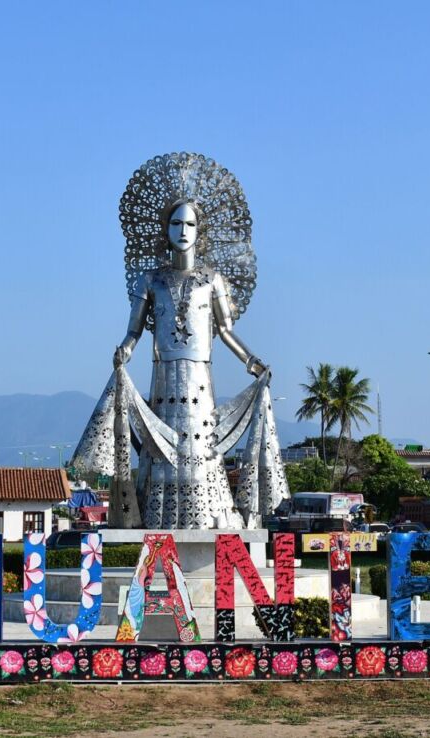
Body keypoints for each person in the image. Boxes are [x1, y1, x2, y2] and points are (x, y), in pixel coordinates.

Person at [74, 153, 289, 530]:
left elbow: (224, 331)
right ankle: (152, 515)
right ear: (165, 229)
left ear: (199, 229)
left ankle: (212, 514)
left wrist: (251, 361)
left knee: (202, 445)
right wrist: (125, 349)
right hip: (163, 379)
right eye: (176, 222)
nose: (183, 230)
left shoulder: (213, 280)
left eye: (190, 223)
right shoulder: (151, 280)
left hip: (200, 379)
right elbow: (135, 330)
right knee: (161, 451)